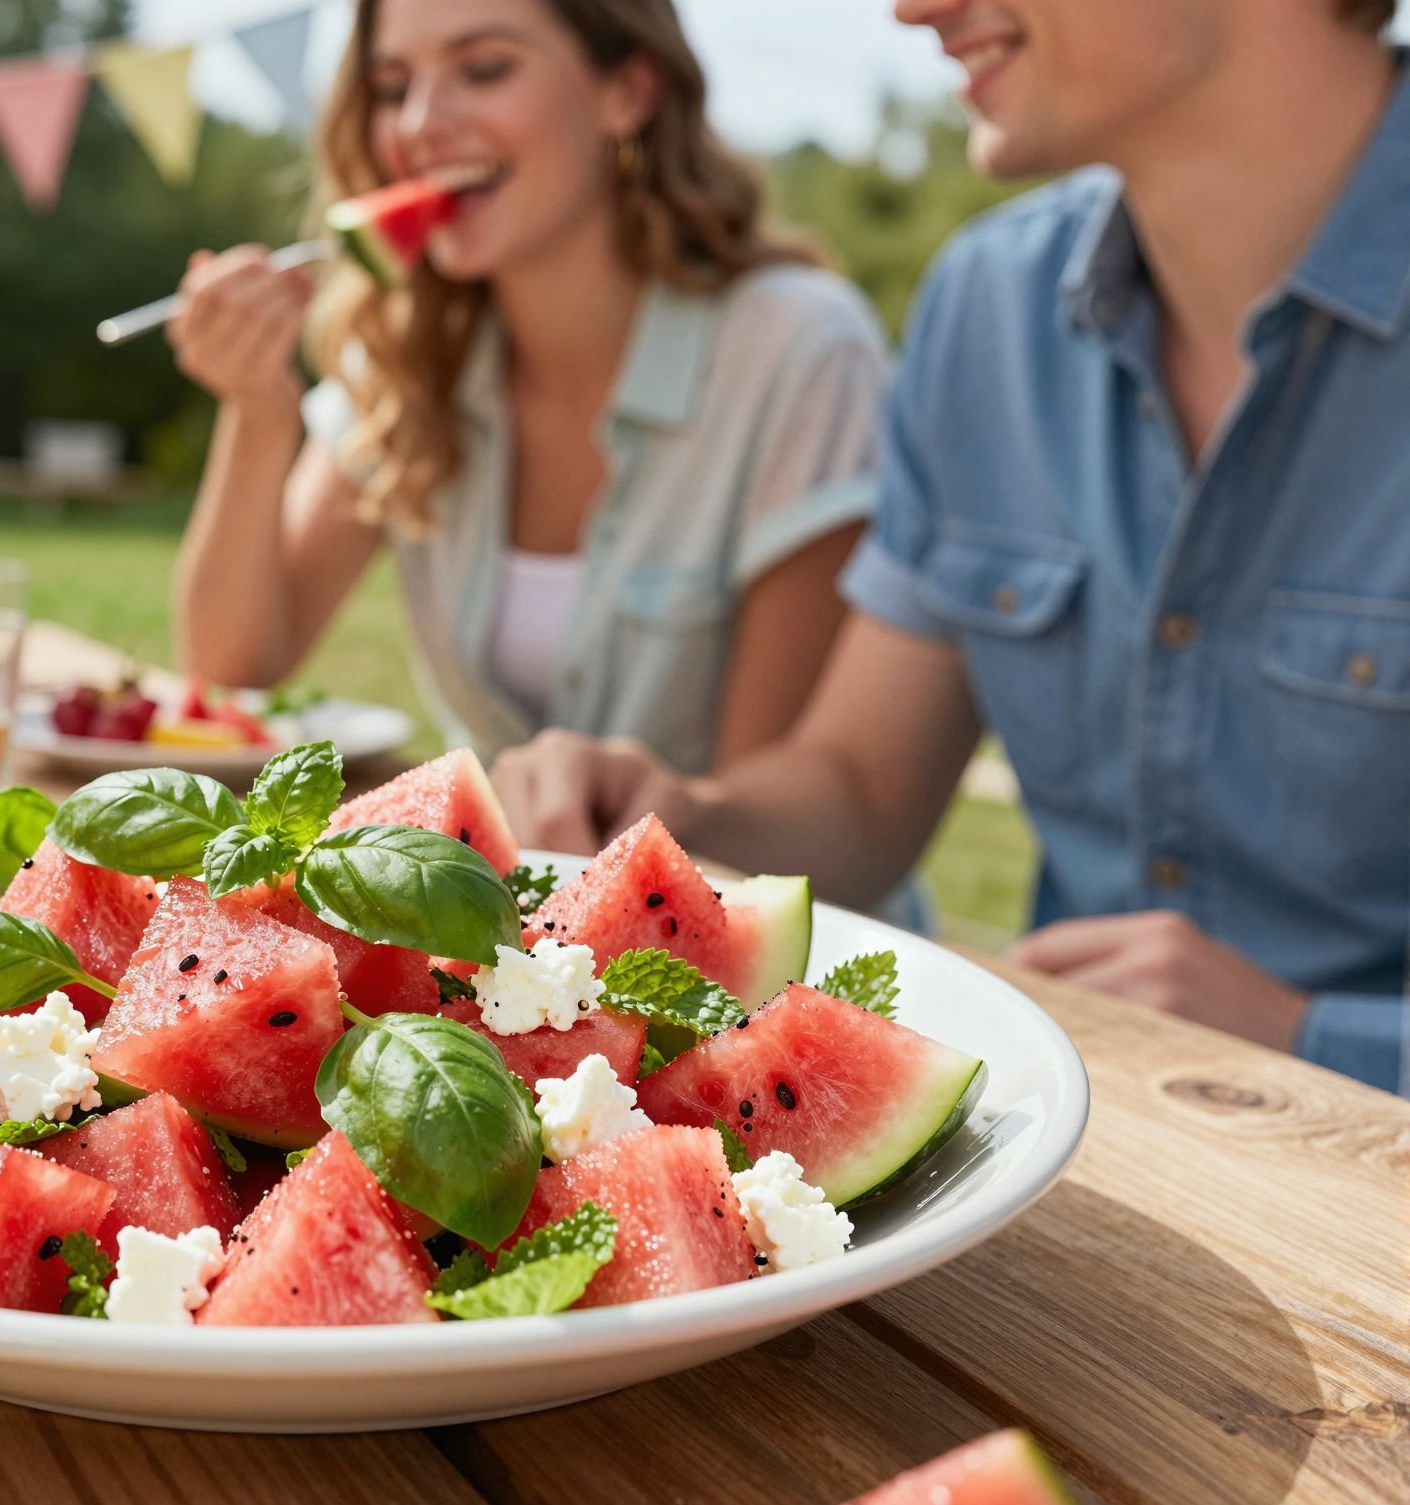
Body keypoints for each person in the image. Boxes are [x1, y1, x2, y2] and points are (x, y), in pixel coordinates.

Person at [492, 0, 1410, 1095]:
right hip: (1099, 1148)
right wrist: (683, 815)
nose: (913, 9)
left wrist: (1307, 1035)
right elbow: (860, 790)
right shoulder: (988, 307)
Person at [165, 0, 890, 789]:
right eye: (392, 85)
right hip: (515, 902)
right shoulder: (407, 358)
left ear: (628, 90)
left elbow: (772, 811)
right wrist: (257, 411)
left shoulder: (797, 351)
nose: (421, 123)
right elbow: (232, 671)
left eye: (485, 70)